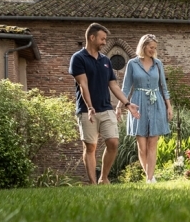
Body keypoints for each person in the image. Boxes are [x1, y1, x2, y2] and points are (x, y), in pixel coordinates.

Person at [69, 23, 139, 184]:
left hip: (106, 108)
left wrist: (127, 103)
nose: (104, 42)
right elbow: (83, 84)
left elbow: (113, 85)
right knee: (90, 147)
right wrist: (90, 106)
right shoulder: (78, 58)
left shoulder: (105, 60)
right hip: (87, 111)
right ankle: (93, 183)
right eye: (102, 39)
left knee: (113, 142)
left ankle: (104, 178)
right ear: (91, 37)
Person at [121, 33, 173, 183]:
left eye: (155, 48)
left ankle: (150, 178)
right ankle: (149, 175)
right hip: (138, 103)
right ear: (143, 46)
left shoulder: (158, 64)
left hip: (156, 104)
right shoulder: (132, 64)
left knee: (152, 143)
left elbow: (164, 87)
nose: (153, 50)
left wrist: (169, 106)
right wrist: (120, 106)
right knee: (142, 147)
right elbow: (125, 88)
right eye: (151, 47)